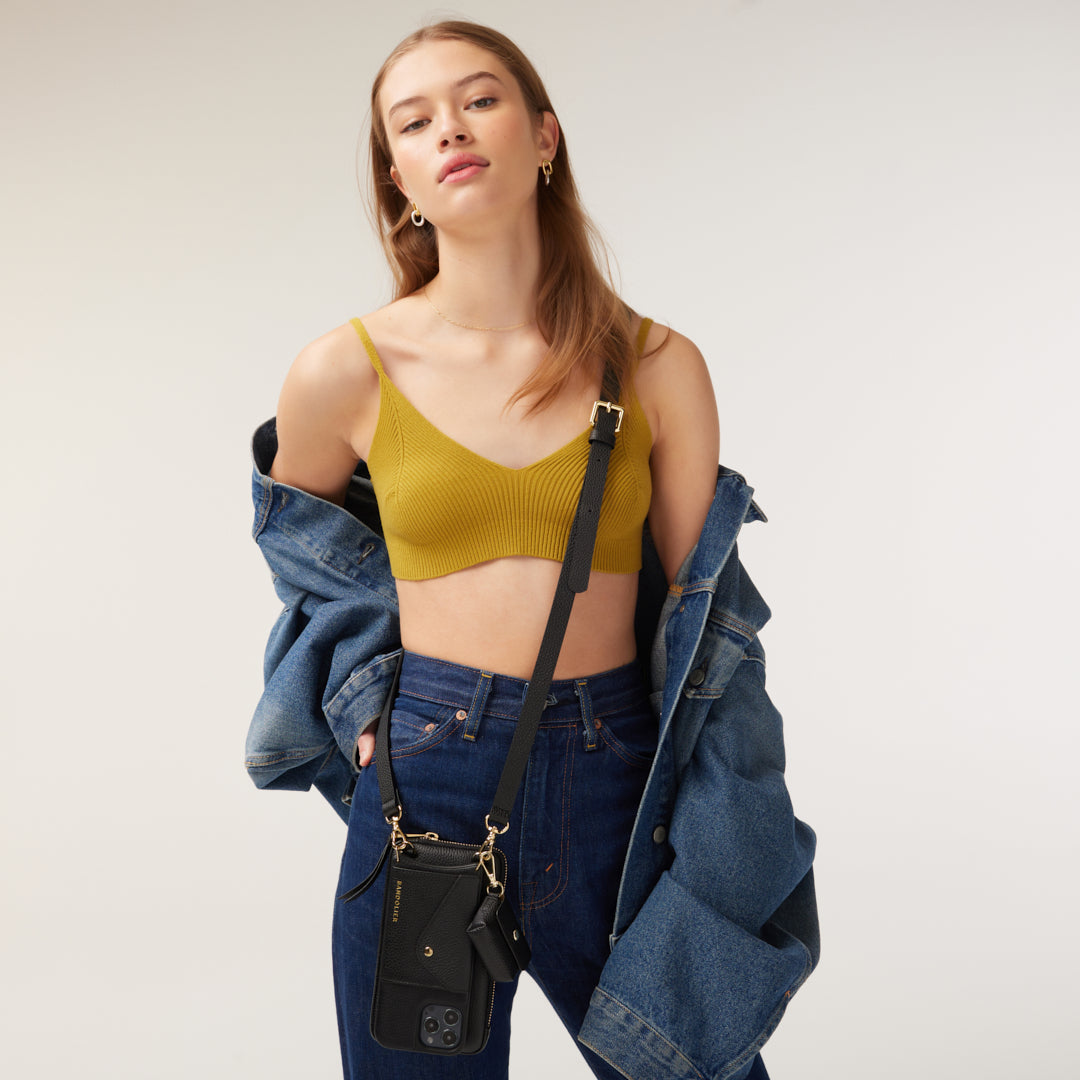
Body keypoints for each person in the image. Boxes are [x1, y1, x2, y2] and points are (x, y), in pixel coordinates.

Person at [249, 19, 818, 1080]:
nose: (450, 130)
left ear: (544, 136)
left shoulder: (656, 364)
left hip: (616, 777)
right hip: (425, 780)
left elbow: (704, 622)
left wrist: (736, 818)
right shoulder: (344, 370)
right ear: (400, 181)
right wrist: (363, 698)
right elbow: (308, 556)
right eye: (414, 122)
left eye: (480, 100)